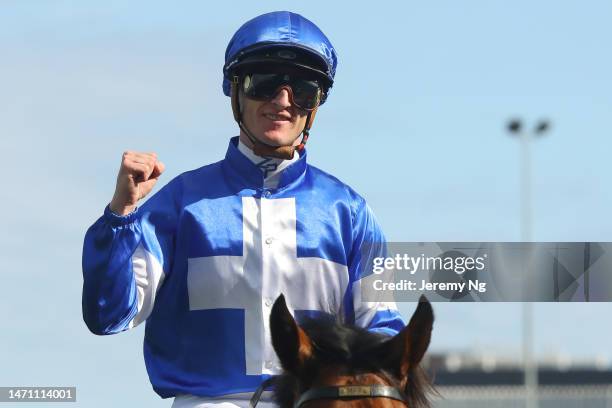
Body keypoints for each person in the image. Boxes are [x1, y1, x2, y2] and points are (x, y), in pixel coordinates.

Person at [82, 11, 405, 408]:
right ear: (235, 90)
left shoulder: (350, 213)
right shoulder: (180, 204)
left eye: (303, 89)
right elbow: (109, 314)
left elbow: (382, 335)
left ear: (315, 105)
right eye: (264, 82)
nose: (283, 102)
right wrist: (120, 215)